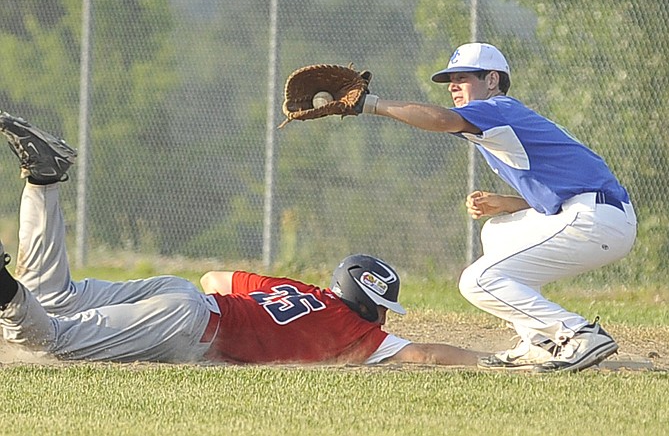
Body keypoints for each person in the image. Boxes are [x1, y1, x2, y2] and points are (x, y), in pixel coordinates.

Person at [0, 111, 484, 366]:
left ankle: (43, 179)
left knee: (52, 297)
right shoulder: (357, 332)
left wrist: (253, 322)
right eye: (383, 308)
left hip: (180, 294)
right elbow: (423, 354)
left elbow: (213, 277)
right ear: (365, 304)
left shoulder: (299, 292)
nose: (383, 318)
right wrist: (493, 361)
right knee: (53, 340)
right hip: (185, 324)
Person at [356, 43, 637, 372]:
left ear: (492, 79)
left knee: (477, 281)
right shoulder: (501, 121)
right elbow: (565, 188)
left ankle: (577, 333)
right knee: (498, 233)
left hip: (597, 219)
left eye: (463, 77)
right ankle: (539, 342)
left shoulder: (496, 108)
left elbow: (442, 119)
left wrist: (371, 104)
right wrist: (508, 204)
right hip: (597, 213)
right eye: (450, 80)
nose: (453, 86)